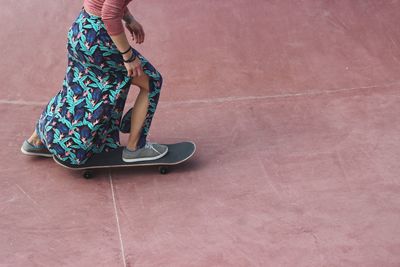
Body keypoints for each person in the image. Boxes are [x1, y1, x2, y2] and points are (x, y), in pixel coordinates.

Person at [20, 0, 168, 164]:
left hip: (82, 28)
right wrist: (128, 56)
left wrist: (128, 18)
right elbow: (110, 14)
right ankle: (135, 148)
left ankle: (36, 139)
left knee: (76, 86)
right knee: (152, 81)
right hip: (99, 36)